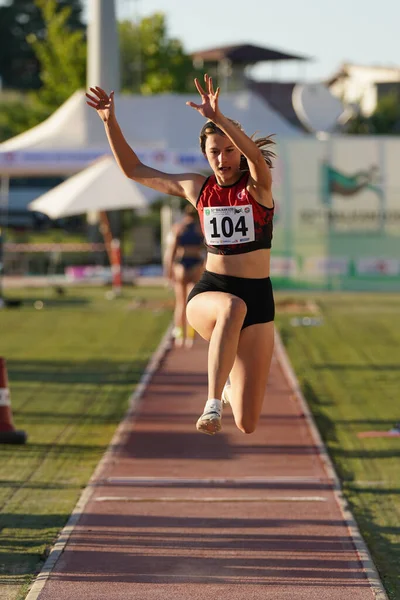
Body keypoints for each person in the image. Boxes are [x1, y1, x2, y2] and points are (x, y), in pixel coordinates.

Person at [86, 74, 276, 436]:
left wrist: (220, 119)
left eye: (229, 150)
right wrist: (110, 121)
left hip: (259, 298)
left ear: (239, 150)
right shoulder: (196, 188)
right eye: (214, 152)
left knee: (249, 423)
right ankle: (212, 403)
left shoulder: (257, 187)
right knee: (232, 307)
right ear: (205, 155)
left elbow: (255, 156)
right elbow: (134, 169)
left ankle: (232, 394)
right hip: (211, 291)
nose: (222, 159)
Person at [163, 203, 205, 348]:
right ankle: (190, 337)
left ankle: (180, 335)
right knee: (192, 303)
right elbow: (207, 248)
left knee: (180, 303)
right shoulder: (201, 228)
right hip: (195, 263)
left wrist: (168, 271)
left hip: (181, 264)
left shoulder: (178, 228)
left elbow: (171, 251)